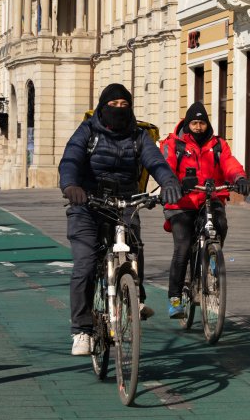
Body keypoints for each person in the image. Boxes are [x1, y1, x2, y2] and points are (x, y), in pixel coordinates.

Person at [59, 83, 182, 356]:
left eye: (124, 105)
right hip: (87, 202)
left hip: (125, 200)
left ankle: (134, 295)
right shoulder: (88, 131)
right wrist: (70, 185)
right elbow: (70, 159)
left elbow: (155, 161)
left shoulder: (138, 136)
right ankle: (81, 330)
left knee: (133, 245)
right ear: (102, 107)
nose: (118, 109)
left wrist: (169, 181)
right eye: (113, 105)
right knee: (85, 264)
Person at [159, 102, 250, 319]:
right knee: (182, 247)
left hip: (210, 196)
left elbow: (229, 163)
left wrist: (239, 177)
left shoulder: (218, 145)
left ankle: (211, 258)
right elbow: (165, 166)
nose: (198, 127)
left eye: (202, 123)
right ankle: (175, 298)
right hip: (181, 202)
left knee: (221, 224)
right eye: (194, 123)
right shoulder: (174, 144)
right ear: (188, 124)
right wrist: (171, 184)